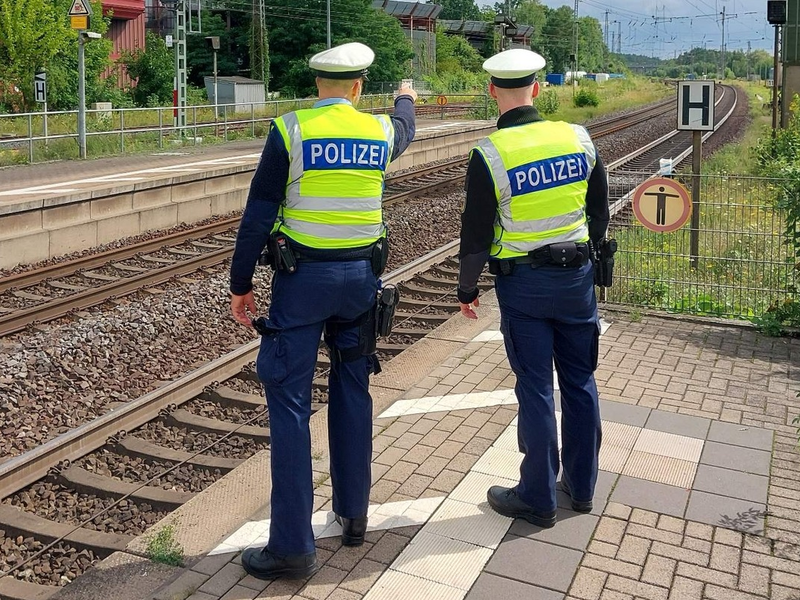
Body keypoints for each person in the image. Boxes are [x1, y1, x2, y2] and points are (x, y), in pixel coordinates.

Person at [229, 42, 417, 579]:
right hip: (360, 283)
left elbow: (258, 213)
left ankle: (292, 547)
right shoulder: (380, 131)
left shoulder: (291, 131)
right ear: (358, 87)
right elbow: (406, 127)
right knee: (353, 388)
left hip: (302, 283)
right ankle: (353, 516)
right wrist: (405, 97)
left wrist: (241, 283)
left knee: (290, 403)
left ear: (318, 85)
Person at [457, 49, 609, 529]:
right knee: (580, 381)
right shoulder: (578, 137)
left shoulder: (490, 154)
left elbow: (476, 232)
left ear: (492, 92)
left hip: (524, 287)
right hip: (577, 279)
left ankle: (537, 497)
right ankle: (582, 488)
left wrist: (466, 289)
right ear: (538, 90)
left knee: (537, 388)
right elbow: (599, 211)